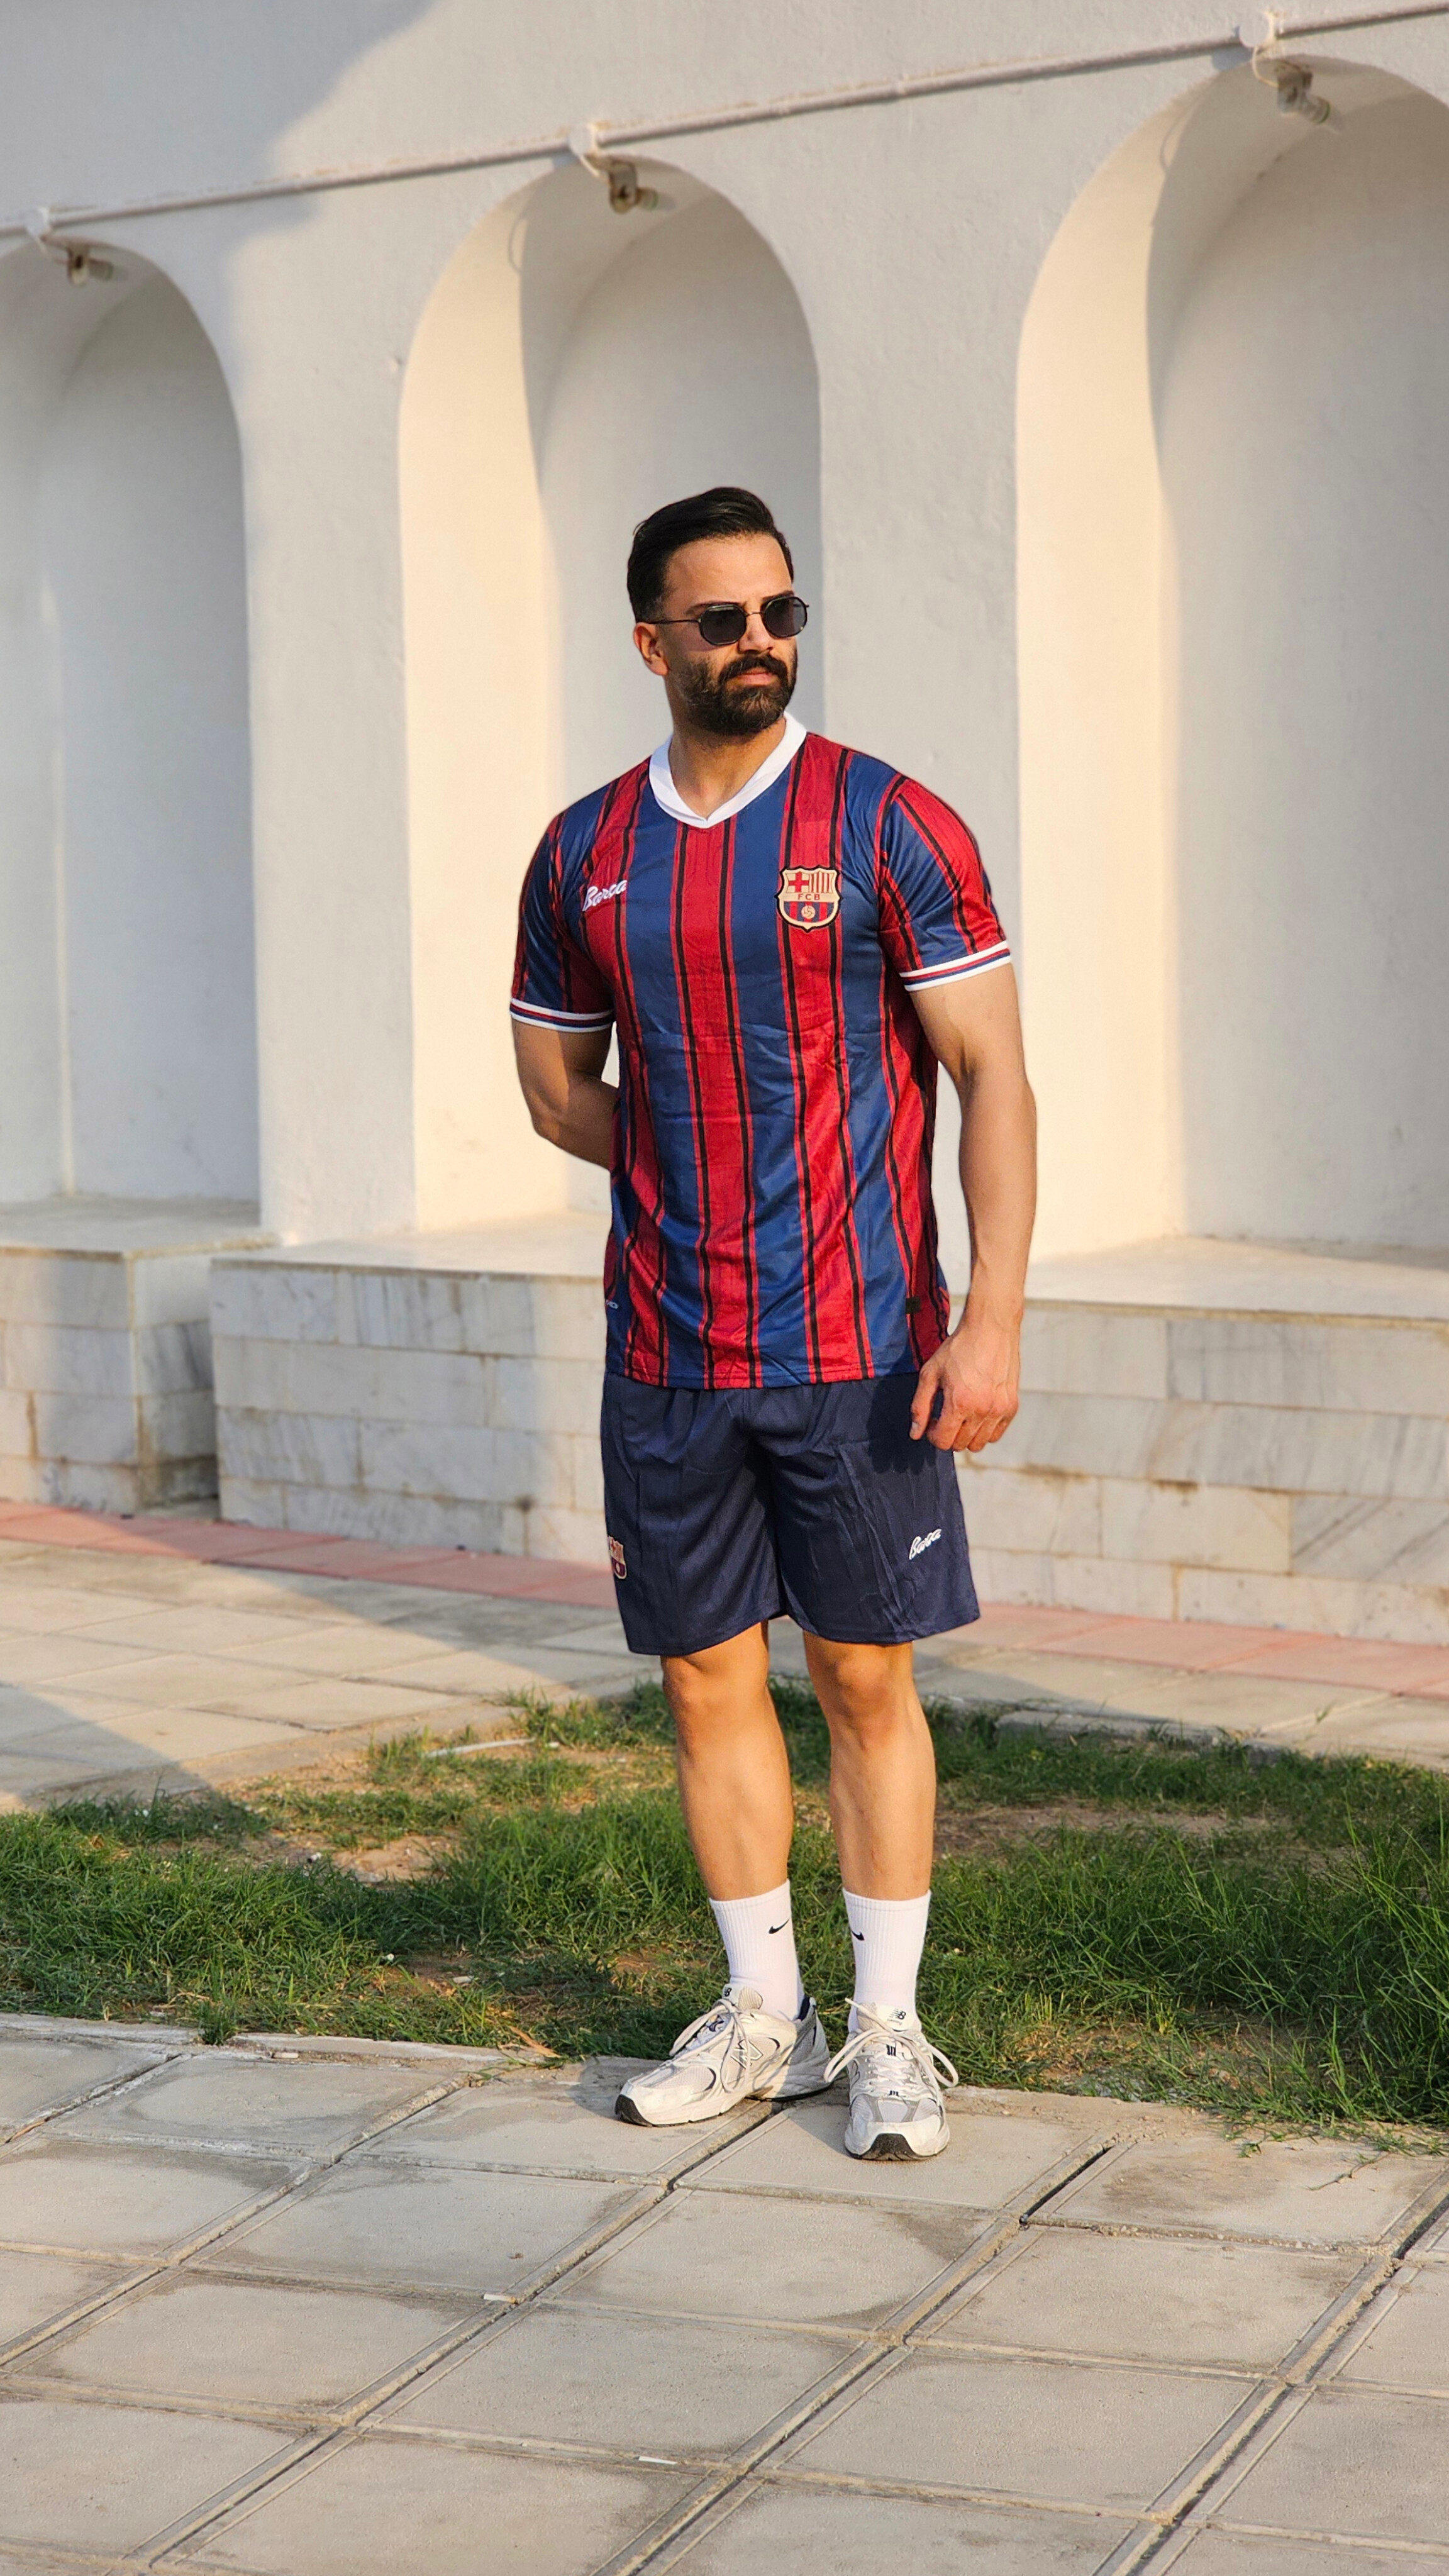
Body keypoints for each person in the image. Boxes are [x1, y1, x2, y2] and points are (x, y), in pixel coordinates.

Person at [511, 487, 1036, 2161]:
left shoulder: (889, 824)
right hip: (668, 1350)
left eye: (781, 614)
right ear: (651, 640)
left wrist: (993, 1318)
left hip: (862, 1343)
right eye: (723, 618)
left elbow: (993, 1078)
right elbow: (556, 1089)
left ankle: (888, 2030)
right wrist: (693, 1164)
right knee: (702, 1679)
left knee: (865, 1675)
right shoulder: (585, 852)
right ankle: (765, 2016)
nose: (759, 642)